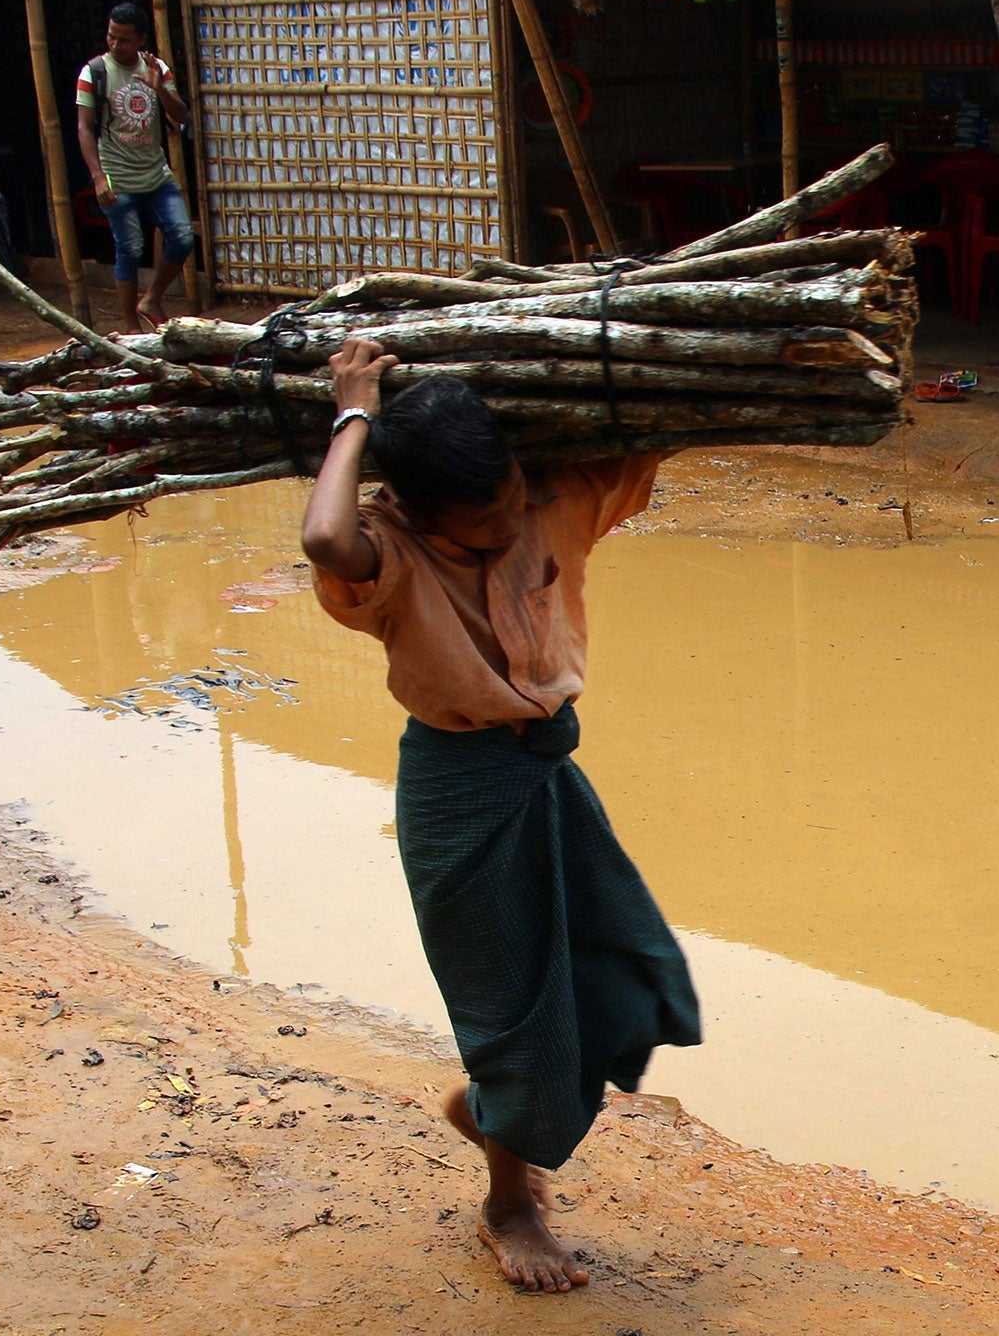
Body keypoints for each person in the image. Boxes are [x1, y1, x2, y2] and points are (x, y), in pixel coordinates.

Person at [300, 351, 700, 1295]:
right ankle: (509, 1203)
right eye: (477, 524)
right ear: (412, 508)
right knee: (509, 1003)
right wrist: (353, 412)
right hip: (455, 791)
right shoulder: (386, 553)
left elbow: (655, 426)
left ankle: (496, 1111)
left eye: (509, 501)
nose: (503, 528)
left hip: (550, 772)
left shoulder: (549, 505)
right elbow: (323, 539)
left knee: (615, 968)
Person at [75, 2, 194, 334]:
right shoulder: (93, 73)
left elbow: (181, 117)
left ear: (141, 39)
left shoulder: (158, 69)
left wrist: (159, 89)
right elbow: (84, 128)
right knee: (129, 248)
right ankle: (130, 327)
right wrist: (98, 178)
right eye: (111, 37)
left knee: (183, 237)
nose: (115, 45)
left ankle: (151, 298)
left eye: (124, 40)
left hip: (156, 174)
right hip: (117, 177)